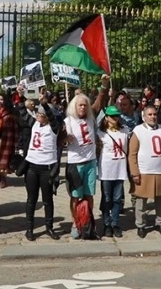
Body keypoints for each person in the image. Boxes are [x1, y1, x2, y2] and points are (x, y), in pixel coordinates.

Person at [128, 105, 161, 238]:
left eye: (154, 114)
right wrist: (134, 172)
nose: (153, 117)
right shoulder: (138, 131)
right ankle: (141, 225)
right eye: (150, 114)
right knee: (141, 201)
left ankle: (160, 223)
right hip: (144, 171)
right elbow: (132, 154)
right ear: (144, 116)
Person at [23, 93, 62, 241]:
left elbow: (52, 118)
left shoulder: (53, 128)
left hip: (46, 167)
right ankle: (29, 228)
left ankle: (49, 227)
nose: (38, 115)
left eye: (41, 114)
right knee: (31, 199)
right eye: (38, 113)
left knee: (47, 200)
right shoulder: (34, 124)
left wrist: (45, 104)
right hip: (32, 166)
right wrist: (20, 96)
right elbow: (22, 112)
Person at [63, 94, 99, 239]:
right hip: (75, 163)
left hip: (90, 161)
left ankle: (87, 222)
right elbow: (59, 139)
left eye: (85, 105)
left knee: (89, 194)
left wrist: (103, 87)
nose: (83, 107)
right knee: (75, 197)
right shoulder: (68, 121)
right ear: (74, 106)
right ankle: (75, 223)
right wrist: (65, 138)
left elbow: (99, 102)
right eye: (80, 105)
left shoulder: (91, 118)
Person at [96, 105, 129, 238]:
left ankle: (115, 223)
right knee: (107, 197)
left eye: (117, 115)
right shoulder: (101, 133)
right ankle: (106, 223)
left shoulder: (125, 130)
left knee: (117, 199)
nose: (115, 118)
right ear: (107, 117)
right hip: (106, 169)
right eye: (112, 116)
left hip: (120, 168)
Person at [0, 93, 18, 188]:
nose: (0, 102)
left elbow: (15, 127)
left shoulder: (10, 112)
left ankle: (4, 180)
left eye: (2, 100)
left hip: (7, 138)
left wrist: (16, 140)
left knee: (4, 160)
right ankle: (0, 178)